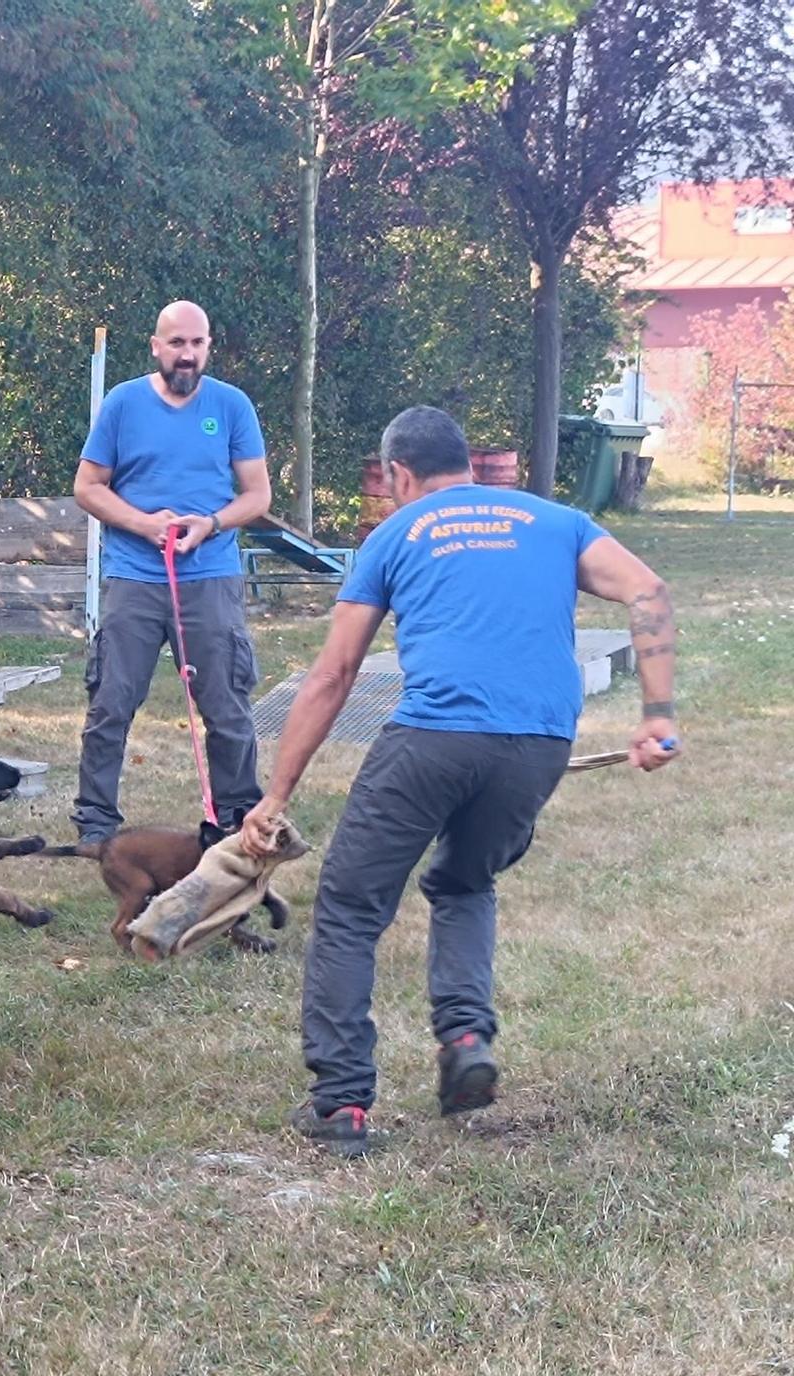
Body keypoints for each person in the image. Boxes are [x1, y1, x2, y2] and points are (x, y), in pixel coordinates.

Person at [239, 406, 679, 1157]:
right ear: (468, 464)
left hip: (433, 740)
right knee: (465, 883)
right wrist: (656, 715)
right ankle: (466, 1038)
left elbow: (334, 675)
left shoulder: (395, 534)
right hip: (538, 742)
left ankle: (341, 1105)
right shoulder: (555, 521)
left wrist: (274, 795)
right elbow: (649, 592)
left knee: (350, 905)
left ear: (400, 474)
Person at [73, 300, 273, 844]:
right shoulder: (123, 404)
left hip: (210, 578)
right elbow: (88, 487)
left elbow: (257, 495)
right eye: (177, 343)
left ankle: (236, 821)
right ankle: (95, 824)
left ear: (209, 347)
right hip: (134, 577)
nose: (187, 355)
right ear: (156, 347)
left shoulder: (232, 406)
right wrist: (143, 525)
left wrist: (211, 523)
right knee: (111, 702)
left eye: (197, 344)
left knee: (228, 707)